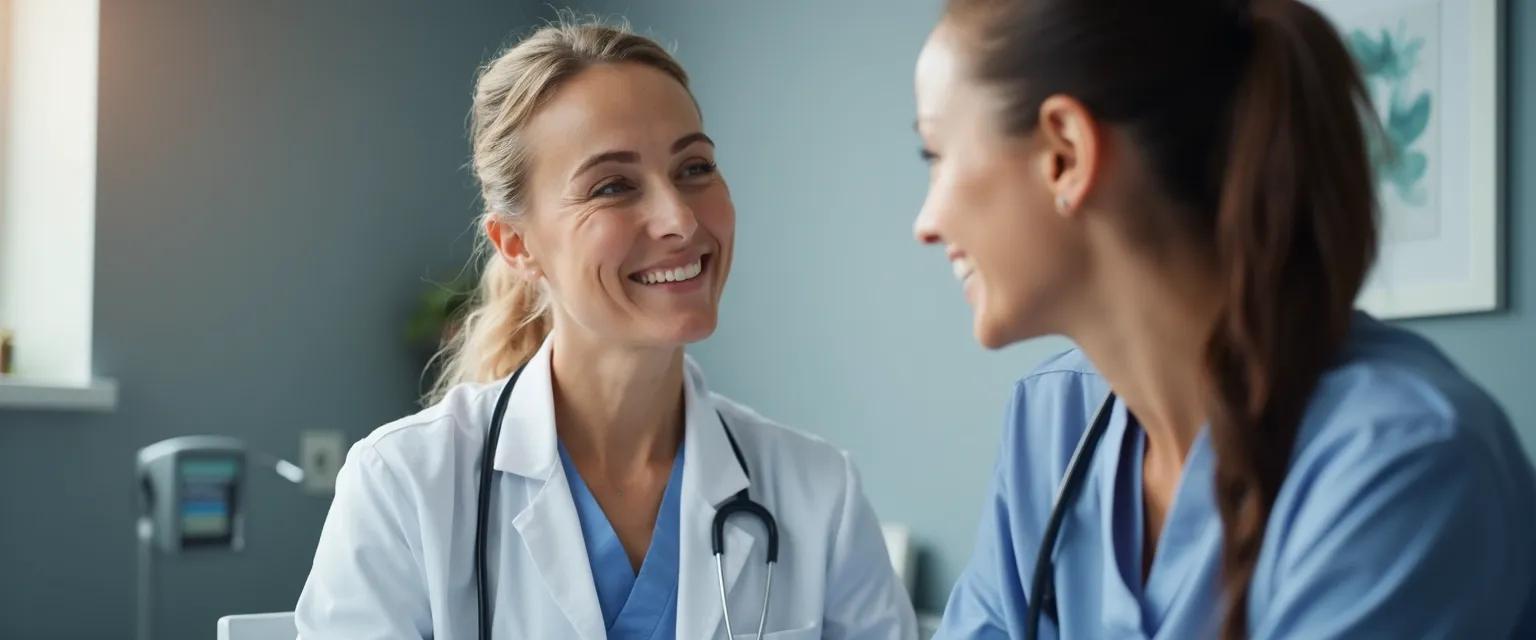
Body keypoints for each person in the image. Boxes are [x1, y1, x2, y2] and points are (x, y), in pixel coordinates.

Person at [911, 0, 1536, 637]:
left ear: (1064, 154)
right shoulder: (1049, 421)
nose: (925, 224)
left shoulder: (1404, 463)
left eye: (935, 155)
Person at [296, 20, 916, 640]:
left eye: (695, 167)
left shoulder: (818, 494)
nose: (679, 219)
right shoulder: (403, 485)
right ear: (517, 245)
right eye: (613, 186)